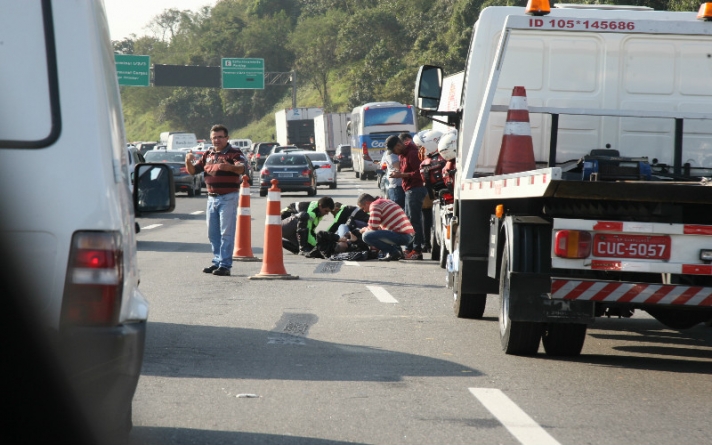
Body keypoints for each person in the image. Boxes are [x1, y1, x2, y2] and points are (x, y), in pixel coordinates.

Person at [185, 124, 246, 276]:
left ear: (227, 138)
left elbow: (242, 168)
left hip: (228, 197)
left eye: (220, 137)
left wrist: (230, 168)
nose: (217, 140)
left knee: (226, 233)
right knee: (213, 234)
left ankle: (225, 265)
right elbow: (193, 171)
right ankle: (217, 261)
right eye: (214, 137)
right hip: (211, 198)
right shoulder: (208, 154)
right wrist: (188, 161)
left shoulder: (234, 153)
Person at [387, 134, 427, 260]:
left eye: (394, 150)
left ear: (399, 145)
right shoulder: (402, 154)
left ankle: (417, 250)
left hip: (415, 188)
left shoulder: (412, 153)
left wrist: (402, 175)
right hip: (409, 189)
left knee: (413, 220)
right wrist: (400, 174)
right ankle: (410, 248)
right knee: (409, 220)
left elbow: (419, 173)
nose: (394, 153)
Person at [357, 193, 415, 262]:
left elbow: (373, 227)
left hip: (402, 235)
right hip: (408, 235)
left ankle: (392, 252)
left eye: (363, 208)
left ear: (367, 203)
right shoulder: (385, 201)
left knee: (366, 236)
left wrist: (364, 230)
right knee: (383, 232)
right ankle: (398, 252)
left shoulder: (374, 205)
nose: (364, 211)